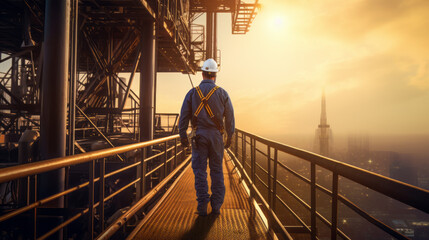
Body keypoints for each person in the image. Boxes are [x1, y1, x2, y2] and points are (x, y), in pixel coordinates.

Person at [179, 58, 235, 216]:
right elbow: (230, 117)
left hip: (199, 136)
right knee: (217, 171)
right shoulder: (223, 93)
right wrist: (229, 136)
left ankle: (202, 205)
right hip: (216, 137)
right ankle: (216, 206)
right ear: (215, 76)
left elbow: (183, 116)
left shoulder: (192, 93)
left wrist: (183, 135)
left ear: (202, 74)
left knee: (200, 171)